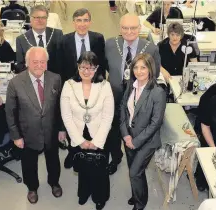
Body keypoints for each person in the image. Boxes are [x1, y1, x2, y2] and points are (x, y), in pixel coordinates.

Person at [5, 47, 66, 204]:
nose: (39, 65)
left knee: (53, 160)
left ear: (47, 63)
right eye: (35, 62)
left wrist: (61, 129)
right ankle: (32, 188)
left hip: (51, 131)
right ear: (27, 63)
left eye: (42, 62)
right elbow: (10, 113)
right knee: (29, 164)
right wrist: (16, 136)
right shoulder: (15, 83)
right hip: (27, 134)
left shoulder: (56, 79)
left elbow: (60, 107)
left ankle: (54, 183)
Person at [105, 13, 161, 175]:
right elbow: (107, 68)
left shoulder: (150, 48)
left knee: (134, 131)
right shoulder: (109, 44)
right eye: (125, 28)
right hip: (114, 97)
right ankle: (115, 158)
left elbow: (155, 74)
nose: (129, 31)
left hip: (137, 100)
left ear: (139, 28)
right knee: (114, 130)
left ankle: (135, 165)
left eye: (133, 28)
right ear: (120, 28)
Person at [60, 51, 114, 210]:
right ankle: (83, 192)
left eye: (90, 68)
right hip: (78, 134)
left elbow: (108, 116)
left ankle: (100, 196)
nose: (86, 71)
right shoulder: (69, 85)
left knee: (100, 169)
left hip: (99, 133)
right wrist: (79, 141)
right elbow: (66, 116)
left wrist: (97, 141)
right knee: (82, 167)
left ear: (96, 69)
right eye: (83, 67)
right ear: (78, 67)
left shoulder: (105, 86)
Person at [58, 8, 107, 169]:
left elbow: (102, 65)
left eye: (85, 20)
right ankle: (73, 152)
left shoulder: (98, 38)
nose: (82, 24)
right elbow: (61, 68)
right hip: (73, 88)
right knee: (74, 121)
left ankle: (92, 149)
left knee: (91, 119)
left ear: (90, 22)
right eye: (78, 20)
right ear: (73, 22)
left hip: (93, 87)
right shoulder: (64, 41)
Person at [119, 53, 166, 210]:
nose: (139, 71)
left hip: (147, 141)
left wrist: (135, 141)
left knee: (134, 172)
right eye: (136, 67)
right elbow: (123, 110)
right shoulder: (130, 85)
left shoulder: (157, 92)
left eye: (143, 67)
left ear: (150, 69)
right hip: (129, 137)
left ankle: (140, 204)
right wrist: (125, 135)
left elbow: (155, 123)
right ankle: (137, 194)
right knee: (136, 171)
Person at [15, 5, 63, 73]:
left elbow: (62, 61)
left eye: (43, 17)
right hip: (31, 80)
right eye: (37, 17)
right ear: (30, 19)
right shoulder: (21, 39)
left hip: (54, 79)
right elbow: (20, 65)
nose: (40, 21)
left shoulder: (57, 35)